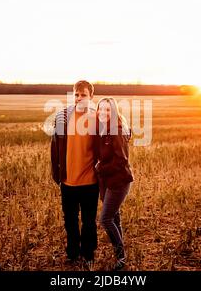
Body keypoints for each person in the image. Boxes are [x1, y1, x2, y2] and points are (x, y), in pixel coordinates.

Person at [50, 80, 99, 269]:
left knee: (88, 222)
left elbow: (114, 135)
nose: (79, 98)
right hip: (68, 181)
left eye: (83, 95)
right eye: (76, 95)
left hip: (90, 182)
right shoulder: (63, 116)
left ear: (91, 97)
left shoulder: (97, 118)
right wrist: (57, 172)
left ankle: (88, 254)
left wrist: (126, 131)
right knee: (70, 220)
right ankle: (72, 252)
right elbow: (55, 147)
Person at [95, 97, 134, 271]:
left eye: (107, 110)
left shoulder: (116, 131)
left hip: (119, 181)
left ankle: (121, 257)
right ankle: (121, 254)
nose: (103, 113)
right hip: (106, 181)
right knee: (114, 217)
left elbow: (121, 162)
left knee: (105, 219)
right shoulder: (103, 129)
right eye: (100, 109)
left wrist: (99, 168)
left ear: (114, 112)